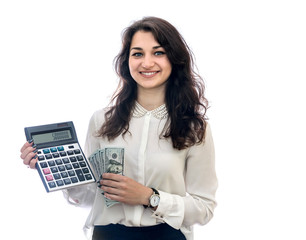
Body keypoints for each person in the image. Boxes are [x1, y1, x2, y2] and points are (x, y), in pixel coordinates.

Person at [20, 16, 218, 240]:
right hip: (108, 234)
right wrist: (55, 168)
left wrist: (150, 197)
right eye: (138, 53)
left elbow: (204, 208)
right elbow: (91, 197)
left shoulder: (194, 129)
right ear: (127, 61)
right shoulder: (102, 121)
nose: (147, 63)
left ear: (174, 59)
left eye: (158, 52)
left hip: (166, 235)